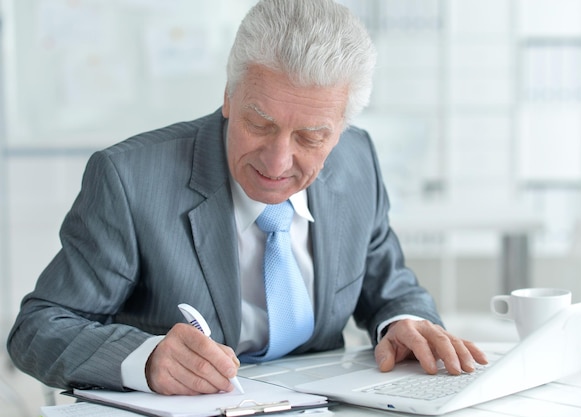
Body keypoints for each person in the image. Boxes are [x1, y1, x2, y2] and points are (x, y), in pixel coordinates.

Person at [7, 0, 487, 396]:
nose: (278, 163)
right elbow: (37, 330)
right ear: (229, 97)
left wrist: (404, 320)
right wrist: (145, 359)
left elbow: (389, 284)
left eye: (311, 137)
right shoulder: (129, 179)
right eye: (259, 124)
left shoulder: (359, 160)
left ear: (341, 130)